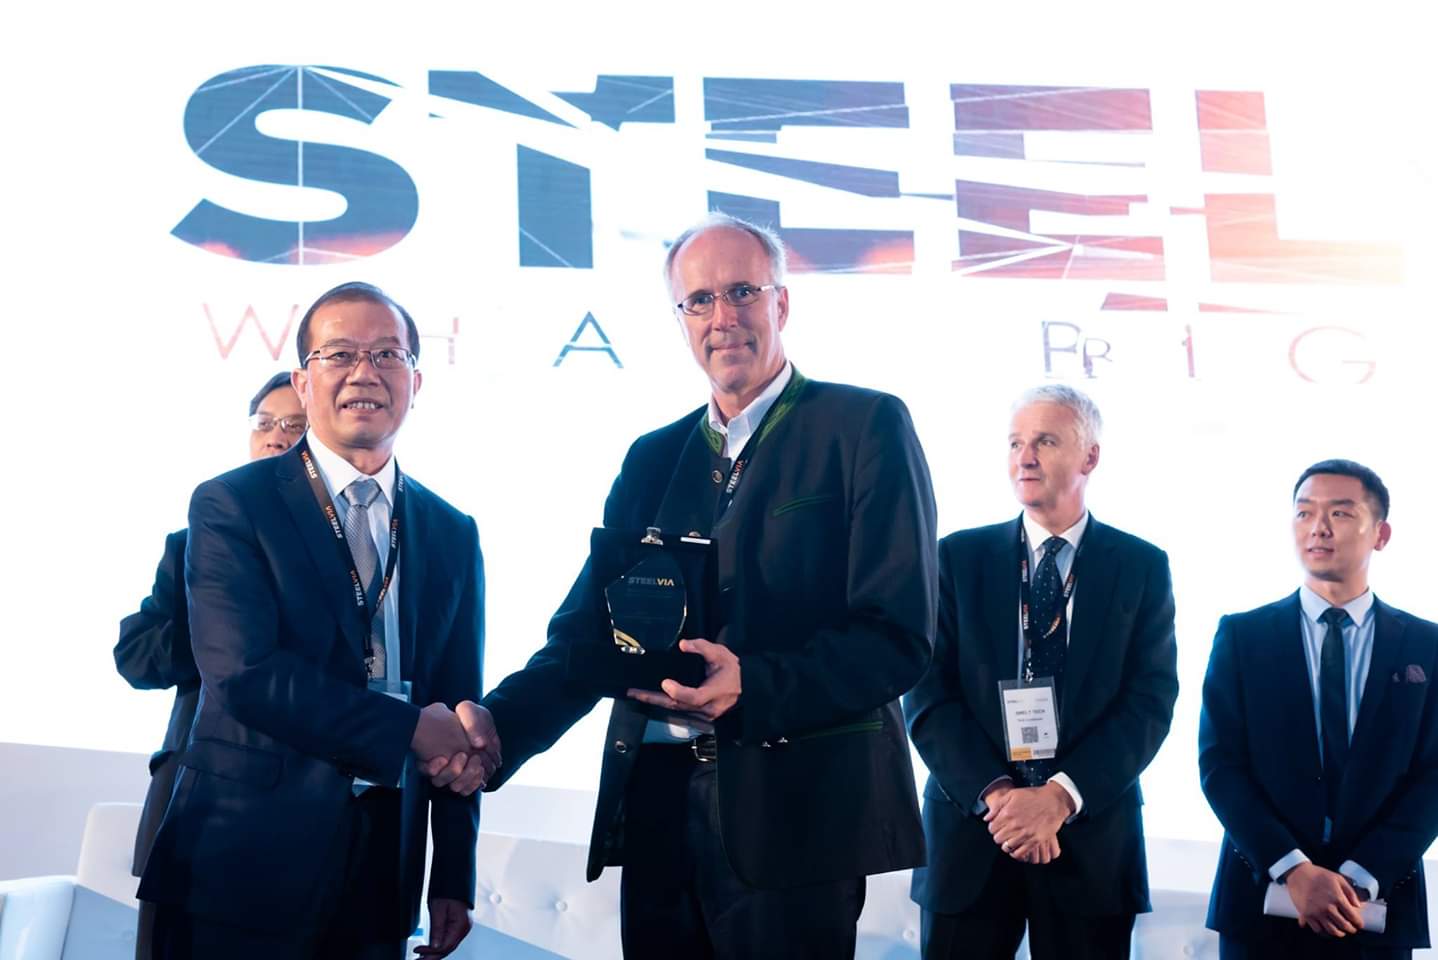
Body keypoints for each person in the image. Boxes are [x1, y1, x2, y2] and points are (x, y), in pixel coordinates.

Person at [447, 214, 937, 958]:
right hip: (657, 810)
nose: (722, 317)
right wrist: (497, 728)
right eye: (699, 300)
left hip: (796, 818)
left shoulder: (863, 426)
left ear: (781, 303)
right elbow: (588, 635)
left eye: (742, 292)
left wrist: (754, 685)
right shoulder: (652, 457)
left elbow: (897, 636)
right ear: (680, 321)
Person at [137, 282, 491, 960]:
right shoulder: (233, 504)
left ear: (415, 380)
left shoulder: (452, 531)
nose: (365, 372)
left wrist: (452, 874)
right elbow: (246, 674)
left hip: (381, 875)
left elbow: (458, 705)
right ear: (304, 382)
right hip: (238, 866)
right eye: (340, 354)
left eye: (387, 354)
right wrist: (409, 728)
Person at [905, 384, 1178, 960]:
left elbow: (1148, 704)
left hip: (1091, 845)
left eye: (1045, 442)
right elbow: (928, 696)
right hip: (973, 836)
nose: (1024, 458)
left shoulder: (1141, 566)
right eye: (1015, 443)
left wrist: (1058, 798)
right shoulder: (956, 558)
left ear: (1090, 457)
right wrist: (1001, 798)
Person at [1199, 460, 1438, 959]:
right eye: (1304, 512)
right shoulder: (1244, 637)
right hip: (1261, 903)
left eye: (1340, 513)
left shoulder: (1425, 645)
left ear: (1381, 534)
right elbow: (1220, 765)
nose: (1318, 528)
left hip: (1374, 908)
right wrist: (1294, 869)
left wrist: (1359, 877)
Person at [114, 371, 305, 959]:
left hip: (305, 820)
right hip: (194, 812)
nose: (276, 436)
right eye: (264, 423)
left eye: (294, 425)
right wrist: (221, 628)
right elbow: (135, 657)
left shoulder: (356, 548)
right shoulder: (195, 539)